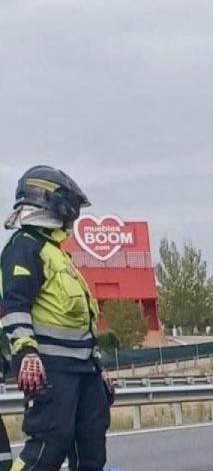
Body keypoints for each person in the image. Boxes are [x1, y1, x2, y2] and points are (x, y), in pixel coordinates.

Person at [0, 166, 113, 471]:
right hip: (49, 369)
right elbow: (13, 305)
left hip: (83, 370)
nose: (73, 215)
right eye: (70, 207)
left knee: (91, 448)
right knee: (49, 446)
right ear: (49, 200)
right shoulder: (25, 247)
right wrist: (26, 353)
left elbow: (80, 322)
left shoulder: (58, 253)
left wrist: (97, 368)